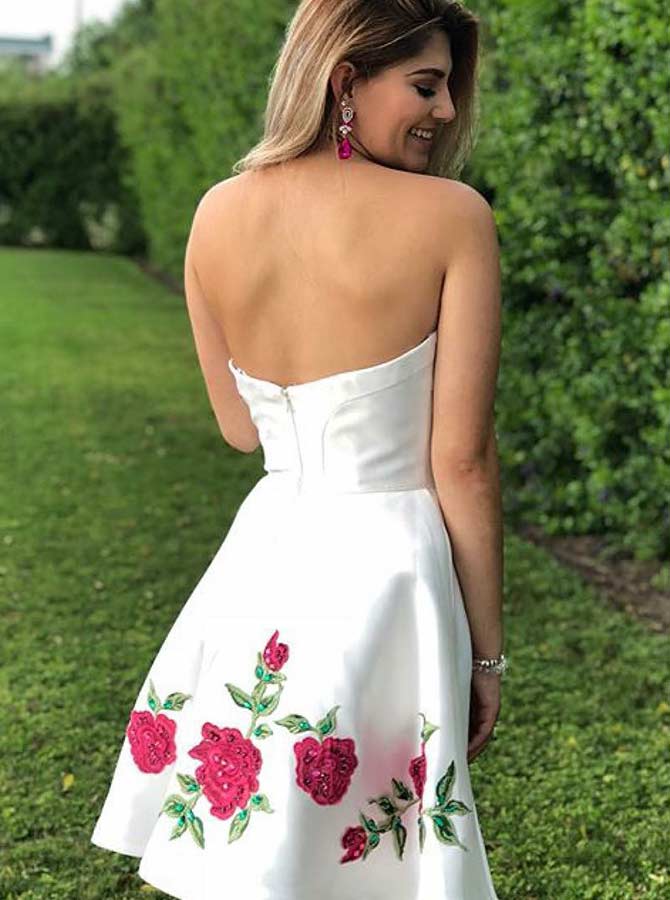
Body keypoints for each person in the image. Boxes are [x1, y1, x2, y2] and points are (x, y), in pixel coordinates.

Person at [90, 1, 505, 897]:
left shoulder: (216, 213)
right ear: (345, 79)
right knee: (367, 852)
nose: (444, 111)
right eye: (426, 86)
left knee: (269, 841)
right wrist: (486, 657)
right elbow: (462, 463)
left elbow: (241, 428)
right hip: (390, 569)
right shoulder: (453, 217)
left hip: (268, 552)